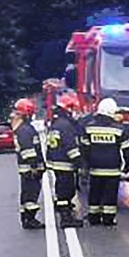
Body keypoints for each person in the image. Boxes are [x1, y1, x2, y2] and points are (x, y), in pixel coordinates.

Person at [84, 98, 129, 226]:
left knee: (94, 192)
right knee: (110, 194)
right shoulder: (119, 129)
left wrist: (86, 164)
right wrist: (127, 165)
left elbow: (84, 148)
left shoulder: (89, 127)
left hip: (95, 167)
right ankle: (108, 219)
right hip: (112, 168)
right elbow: (127, 149)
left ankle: (93, 217)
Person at [47, 92, 84, 228]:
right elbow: (70, 146)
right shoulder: (65, 125)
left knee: (62, 189)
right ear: (68, 108)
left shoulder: (57, 123)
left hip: (57, 162)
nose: (75, 112)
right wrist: (78, 161)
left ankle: (65, 212)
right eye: (73, 109)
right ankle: (66, 219)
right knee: (66, 191)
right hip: (65, 163)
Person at [13, 98, 45, 230]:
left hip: (26, 169)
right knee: (31, 195)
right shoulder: (25, 130)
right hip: (30, 169)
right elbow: (29, 151)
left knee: (27, 194)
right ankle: (30, 219)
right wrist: (34, 167)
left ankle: (26, 219)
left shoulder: (22, 128)